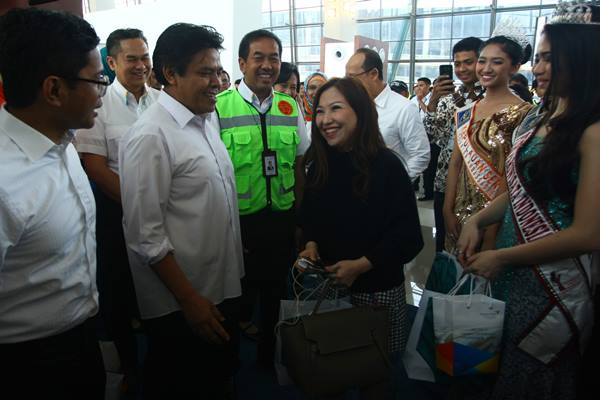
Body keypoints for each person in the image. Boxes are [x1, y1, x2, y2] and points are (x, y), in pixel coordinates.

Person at [457, 4, 600, 399]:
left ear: (584, 59)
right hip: (511, 269)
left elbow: (589, 233)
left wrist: (503, 257)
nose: (537, 67)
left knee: (536, 375)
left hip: (553, 283)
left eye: (551, 58)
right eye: (537, 57)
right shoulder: (538, 117)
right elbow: (517, 187)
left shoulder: (593, 130)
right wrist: (478, 220)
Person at [118, 23, 244, 399]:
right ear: (171, 74)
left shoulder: (205, 120)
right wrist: (190, 300)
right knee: (183, 383)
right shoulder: (150, 136)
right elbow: (145, 235)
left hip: (219, 285)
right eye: (205, 72)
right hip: (183, 302)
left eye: (218, 71)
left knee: (219, 379)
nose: (218, 82)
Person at [0, 8, 107, 399]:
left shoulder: (60, 140)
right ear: (54, 91)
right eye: (97, 80)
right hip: (26, 365)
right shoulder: (5, 180)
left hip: (79, 339)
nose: (103, 90)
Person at [298, 77, 423, 398]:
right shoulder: (320, 162)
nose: (326, 119)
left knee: (375, 372)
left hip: (377, 290)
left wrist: (363, 265)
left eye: (336, 108)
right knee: (328, 365)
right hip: (328, 288)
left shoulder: (387, 166)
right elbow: (310, 217)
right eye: (320, 110)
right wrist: (310, 245)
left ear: (361, 112)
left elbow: (409, 237)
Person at [215, 29, 310, 369]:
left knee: (275, 297)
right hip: (238, 225)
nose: (268, 65)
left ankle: (268, 361)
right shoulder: (219, 107)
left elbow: (299, 164)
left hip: (281, 222)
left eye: (274, 58)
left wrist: (300, 220)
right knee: (235, 301)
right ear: (242, 63)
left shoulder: (289, 106)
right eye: (259, 57)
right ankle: (229, 368)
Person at [75, 28, 157, 394]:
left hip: (163, 213)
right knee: (119, 295)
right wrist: (140, 207)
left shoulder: (162, 101)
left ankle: (160, 362)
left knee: (158, 289)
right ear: (111, 62)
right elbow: (95, 165)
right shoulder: (99, 103)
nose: (141, 66)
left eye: (145, 57)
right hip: (116, 214)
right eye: (132, 59)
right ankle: (129, 367)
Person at [443, 34, 533, 254]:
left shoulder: (525, 114)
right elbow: (456, 163)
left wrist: (492, 232)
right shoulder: (466, 112)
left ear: (515, 67)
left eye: (497, 62)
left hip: (499, 214)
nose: (486, 68)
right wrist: (447, 209)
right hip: (460, 209)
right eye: (482, 61)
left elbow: (511, 176)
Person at [423, 37, 485, 252]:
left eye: (468, 62)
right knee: (443, 243)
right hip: (443, 180)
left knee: (472, 246)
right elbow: (435, 136)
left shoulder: (490, 97)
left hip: (476, 184)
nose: (461, 69)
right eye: (457, 64)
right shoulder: (451, 98)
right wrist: (433, 100)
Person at [346, 47, 430, 182]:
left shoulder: (404, 108)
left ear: (373, 74)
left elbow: (420, 155)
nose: (348, 84)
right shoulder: (352, 106)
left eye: (352, 77)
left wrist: (395, 184)